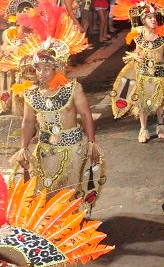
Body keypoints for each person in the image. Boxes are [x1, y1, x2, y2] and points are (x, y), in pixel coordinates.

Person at [7, 18, 101, 213]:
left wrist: (91, 142)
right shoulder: (31, 93)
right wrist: (23, 148)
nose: (41, 73)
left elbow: (85, 115)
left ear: (58, 68)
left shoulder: (73, 89)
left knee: (72, 191)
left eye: (47, 68)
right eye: (38, 68)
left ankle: (73, 225)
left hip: (73, 147)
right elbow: (28, 122)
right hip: (46, 150)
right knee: (47, 193)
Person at [110, 0, 164, 143]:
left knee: (161, 101)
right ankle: (143, 128)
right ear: (143, 20)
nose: (153, 20)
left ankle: (160, 124)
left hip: (161, 71)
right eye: (149, 17)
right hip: (144, 72)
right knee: (143, 102)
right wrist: (135, 56)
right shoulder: (138, 36)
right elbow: (138, 51)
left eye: (154, 17)